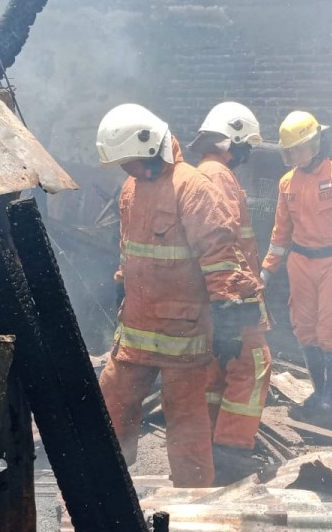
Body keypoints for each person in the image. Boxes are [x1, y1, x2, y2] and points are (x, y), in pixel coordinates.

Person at [96, 103, 261, 488]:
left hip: (184, 334)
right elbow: (128, 247)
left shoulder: (194, 187)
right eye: (122, 164)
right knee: (112, 405)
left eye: (130, 161)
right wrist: (122, 281)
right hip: (137, 328)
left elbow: (219, 255)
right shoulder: (131, 188)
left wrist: (227, 312)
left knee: (186, 419)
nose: (127, 170)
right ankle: (107, 486)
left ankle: (194, 497)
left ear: (150, 145)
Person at [261, 111, 332, 420]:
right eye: (288, 150)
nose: (292, 155)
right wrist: (268, 269)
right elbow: (280, 233)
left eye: (296, 148)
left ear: (315, 143)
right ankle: (318, 391)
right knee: (304, 328)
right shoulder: (286, 183)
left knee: (330, 328)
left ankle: (331, 398)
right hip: (300, 262)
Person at [188, 101, 273, 483]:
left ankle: (210, 444)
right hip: (232, 292)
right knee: (253, 363)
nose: (248, 155)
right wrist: (239, 297)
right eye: (246, 147)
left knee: (218, 368)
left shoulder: (201, 174)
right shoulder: (219, 177)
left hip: (214, 294)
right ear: (230, 142)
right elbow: (224, 243)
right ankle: (233, 449)